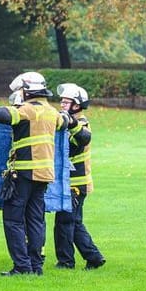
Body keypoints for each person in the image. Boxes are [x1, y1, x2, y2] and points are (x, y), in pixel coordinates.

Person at [0, 71, 69, 276]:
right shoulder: (51, 112)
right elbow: (66, 122)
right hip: (44, 175)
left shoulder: (28, 111)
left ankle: (21, 266)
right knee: (36, 219)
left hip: (24, 174)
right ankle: (36, 266)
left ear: (28, 90)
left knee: (13, 219)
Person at [54, 83, 106, 270]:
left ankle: (66, 262)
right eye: (62, 101)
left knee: (65, 222)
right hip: (68, 182)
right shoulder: (64, 122)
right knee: (73, 222)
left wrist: (71, 123)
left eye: (66, 102)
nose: (62, 104)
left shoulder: (81, 123)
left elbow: (83, 139)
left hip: (76, 183)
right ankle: (94, 257)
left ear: (77, 105)